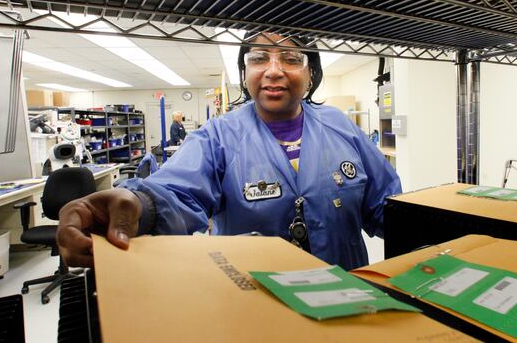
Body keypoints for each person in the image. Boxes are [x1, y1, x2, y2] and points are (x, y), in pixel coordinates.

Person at [57, 33, 402, 270]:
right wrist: (139, 206)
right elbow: (175, 192)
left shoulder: (340, 127)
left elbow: (388, 207)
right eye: (258, 58)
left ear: (311, 74)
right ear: (245, 73)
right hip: (254, 306)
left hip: (347, 299)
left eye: (292, 58)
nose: (273, 70)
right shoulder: (219, 137)